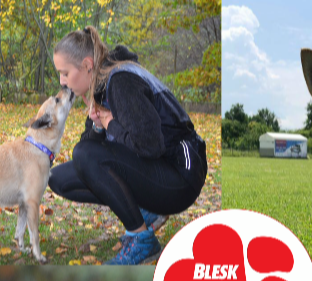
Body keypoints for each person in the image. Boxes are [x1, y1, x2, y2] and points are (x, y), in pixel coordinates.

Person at [49, 26, 208, 265]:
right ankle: (146, 212)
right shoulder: (99, 88)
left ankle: (142, 240)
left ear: (87, 65)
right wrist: (99, 125)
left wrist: (110, 122)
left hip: (181, 176)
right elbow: (89, 153)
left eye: (65, 73)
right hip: (155, 169)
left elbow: (150, 146)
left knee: (84, 154)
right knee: (58, 178)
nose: (62, 81)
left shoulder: (121, 82)